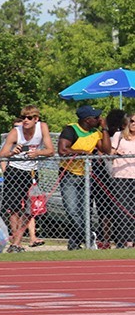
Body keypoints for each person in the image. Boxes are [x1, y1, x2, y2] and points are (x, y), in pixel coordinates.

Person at [0, 105, 54, 252]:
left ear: (36, 119)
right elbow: (1, 154)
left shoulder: (42, 128)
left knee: (30, 210)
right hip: (15, 170)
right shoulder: (16, 132)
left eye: (29, 118)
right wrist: (12, 152)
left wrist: (38, 153)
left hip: (32, 173)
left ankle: (17, 241)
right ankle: (16, 242)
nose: (25, 121)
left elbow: (50, 150)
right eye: (23, 118)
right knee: (14, 209)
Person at [58, 105, 111, 250]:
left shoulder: (95, 132)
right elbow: (62, 150)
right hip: (68, 175)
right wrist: (82, 152)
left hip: (85, 176)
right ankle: (89, 235)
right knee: (72, 210)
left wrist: (104, 129)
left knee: (84, 212)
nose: (99, 119)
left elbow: (106, 150)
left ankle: (75, 244)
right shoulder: (71, 130)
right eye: (96, 117)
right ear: (87, 120)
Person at [110, 113, 135, 248]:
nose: (133, 124)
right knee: (124, 209)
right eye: (131, 121)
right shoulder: (119, 136)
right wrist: (117, 153)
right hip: (121, 176)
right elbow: (110, 153)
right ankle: (123, 241)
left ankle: (132, 239)